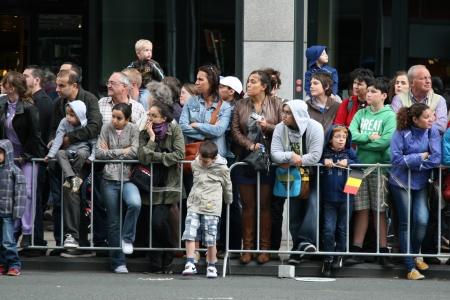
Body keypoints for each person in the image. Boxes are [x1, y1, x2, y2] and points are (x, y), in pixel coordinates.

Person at [48, 67, 103, 257]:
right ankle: (65, 240)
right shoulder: (58, 104)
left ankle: (77, 240)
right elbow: (54, 128)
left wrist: (69, 139)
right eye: (57, 84)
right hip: (63, 158)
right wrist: (52, 140)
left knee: (74, 194)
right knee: (62, 198)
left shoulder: (90, 100)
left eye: (61, 85)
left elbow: (95, 128)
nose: (57, 89)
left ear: (74, 85)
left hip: (83, 159)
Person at [231, 70, 282, 264]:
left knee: (265, 205)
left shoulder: (277, 104)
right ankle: (248, 248)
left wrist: (266, 126)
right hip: (247, 158)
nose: (248, 85)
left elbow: (283, 127)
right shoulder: (240, 104)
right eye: (248, 81)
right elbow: (235, 131)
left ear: (264, 86)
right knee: (248, 205)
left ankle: (265, 248)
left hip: (268, 159)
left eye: (253, 82)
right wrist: (249, 145)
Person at [346, 77, 396, 268]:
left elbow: (385, 142)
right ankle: (356, 250)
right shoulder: (360, 112)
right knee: (359, 209)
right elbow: (350, 136)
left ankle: (383, 251)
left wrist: (363, 142)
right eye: (369, 91)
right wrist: (369, 137)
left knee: (379, 210)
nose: (369, 94)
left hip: (379, 169)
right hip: (357, 168)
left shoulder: (389, 115)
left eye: (374, 91)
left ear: (384, 95)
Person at [390, 102, 441, 280]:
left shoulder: (432, 130)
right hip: (400, 181)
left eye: (431, 116)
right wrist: (421, 156)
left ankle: (413, 254)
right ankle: (410, 267)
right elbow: (396, 159)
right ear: (414, 119)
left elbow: (436, 158)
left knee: (421, 221)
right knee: (405, 223)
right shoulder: (400, 132)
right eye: (426, 117)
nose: (430, 120)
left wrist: (412, 163)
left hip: (421, 182)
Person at [270, 100, 323, 264]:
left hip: (313, 175)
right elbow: (274, 154)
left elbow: (315, 156)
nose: (283, 116)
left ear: (298, 115)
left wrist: (291, 159)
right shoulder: (280, 128)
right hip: (292, 176)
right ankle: (300, 248)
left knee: (313, 205)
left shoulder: (315, 127)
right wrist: (290, 156)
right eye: (283, 112)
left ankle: (301, 245)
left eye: (287, 113)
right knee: (294, 212)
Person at [0, 71, 47, 249]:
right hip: (8, 155)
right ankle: (14, 229)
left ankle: (27, 231)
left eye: (3, 83)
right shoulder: (2, 103)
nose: (0, 84)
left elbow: (35, 135)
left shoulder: (29, 108)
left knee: (27, 192)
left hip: (26, 155)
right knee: (9, 194)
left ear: (11, 88)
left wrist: (26, 154)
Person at [138, 101, 185, 273]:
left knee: (158, 221)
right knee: (151, 223)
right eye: (149, 114)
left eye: (153, 115)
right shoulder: (145, 130)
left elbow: (180, 154)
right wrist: (151, 139)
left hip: (170, 182)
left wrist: (155, 156)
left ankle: (169, 250)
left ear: (164, 118)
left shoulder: (174, 130)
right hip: (150, 182)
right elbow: (143, 158)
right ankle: (156, 263)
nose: (149, 118)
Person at [44, 100, 96, 249]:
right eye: (67, 114)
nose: (68, 117)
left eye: (72, 115)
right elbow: (58, 139)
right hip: (68, 153)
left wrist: (92, 157)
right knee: (60, 153)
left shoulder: (87, 125)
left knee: (81, 153)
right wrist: (50, 155)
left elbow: (94, 142)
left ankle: (74, 177)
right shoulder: (63, 122)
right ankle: (71, 178)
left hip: (82, 153)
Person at [96, 103, 141, 274]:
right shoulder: (106, 128)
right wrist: (123, 150)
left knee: (135, 203)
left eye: (119, 118)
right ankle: (118, 262)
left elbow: (135, 153)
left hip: (129, 179)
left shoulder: (134, 129)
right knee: (113, 222)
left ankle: (127, 238)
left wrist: (112, 151)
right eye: (113, 116)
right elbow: (99, 153)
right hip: (109, 179)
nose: (114, 121)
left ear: (128, 119)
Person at [181, 141, 232, 278]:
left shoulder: (222, 168)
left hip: (211, 205)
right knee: (189, 232)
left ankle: (211, 265)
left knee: (210, 237)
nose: (202, 163)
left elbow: (227, 185)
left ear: (214, 159)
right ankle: (190, 262)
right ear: (198, 154)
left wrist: (228, 200)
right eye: (201, 159)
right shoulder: (194, 163)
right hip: (195, 203)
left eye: (206, 161)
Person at [320, 125, 359, 276]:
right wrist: (324, 161)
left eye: (344, 137)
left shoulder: (350, 153)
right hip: (329, 198)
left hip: (346, 198)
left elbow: (359, 170)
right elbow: (318, 164)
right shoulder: (325, 153)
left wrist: (348, 163)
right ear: (330, 138)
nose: (341, 139)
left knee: (342, 228)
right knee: (329, 230)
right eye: (337, 137)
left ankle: (339, 255)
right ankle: (328, 259)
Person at [22, 65, 53, 257]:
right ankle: (33, 241)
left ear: (37, 80)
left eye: (26, 76)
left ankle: (38, 242)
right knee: (32, 199)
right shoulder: (35, 99)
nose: (23, 79)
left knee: (36, 200)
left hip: (37, 158)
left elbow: (37, 132)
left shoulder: (41, 100)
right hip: (34, 158)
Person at [217, 76, 243, 258]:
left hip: (232, 159)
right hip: (224, 157)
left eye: (222, 86)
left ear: (231, 91)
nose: (218, 89)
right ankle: (222, 244)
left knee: (232, 202)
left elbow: (223, 130)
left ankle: (231, 245)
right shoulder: (219, 104)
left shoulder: (234, 108)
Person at [390, 65, 447, 134]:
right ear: (411, 83)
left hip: (429, 144)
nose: (428, 81)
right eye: (423, 78)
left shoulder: (439, 100)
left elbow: (441, 128)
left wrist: (408, 121)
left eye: (429, 78)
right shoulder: (398, 99)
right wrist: (426, 121)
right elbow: (394, 125)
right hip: (406, 143)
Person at [0, 140, 27, 276]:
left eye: (0, 152)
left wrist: (17, 212)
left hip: (7, 213)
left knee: (8, 240)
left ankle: (14, 264)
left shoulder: (15, 171)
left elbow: (21, 194)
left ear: (8, 153)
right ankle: (2, 263)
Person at [127, 39, 165, 110]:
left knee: (144, 99)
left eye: (150, 50)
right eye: (146, 50)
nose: (149, 53)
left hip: (147, 88)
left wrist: (162, 86)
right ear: (138, 53)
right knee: (134, 100)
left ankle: (145, 114)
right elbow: (125, 73)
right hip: (137, 88)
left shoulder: (153, 64)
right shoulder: (134, 64)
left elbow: (161, 76)